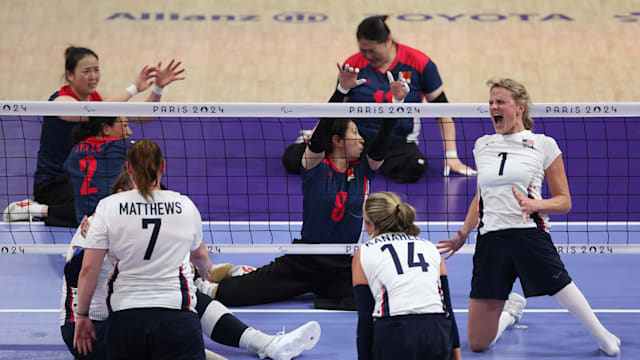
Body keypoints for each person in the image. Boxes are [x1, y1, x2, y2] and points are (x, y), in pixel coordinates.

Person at [437, 78, 621, 356]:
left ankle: (604, 335)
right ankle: (511, 314)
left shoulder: (543, 144)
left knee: (560, 284)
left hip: (527, 234)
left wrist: (536, 204)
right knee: (477, 343)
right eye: (491, 102)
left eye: (500, 102)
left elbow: (564, 202)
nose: (493, 107)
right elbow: (480, 196)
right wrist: (464, 232)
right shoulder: (482, 145)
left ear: (520, 108)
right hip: (489, 241)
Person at [61, 168, 321, 360]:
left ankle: (268, 345)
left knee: (190, 299)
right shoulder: (96, 224)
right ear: (122, 195)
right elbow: (76, 274)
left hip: (138, 318)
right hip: (90, 329)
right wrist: (95, 248)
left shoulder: (157, 226)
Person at [205, 117, 394, 309]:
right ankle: (212, 280)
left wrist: (396, 104)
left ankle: (315, 290)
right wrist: (342, 92)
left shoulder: (363, 170)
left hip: (343, 263)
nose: (361, 139)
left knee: (367, 301)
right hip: (306, 259)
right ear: (337, 141)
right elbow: (320, 137)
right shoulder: (315, 167)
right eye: (354, 133)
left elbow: (382, 144)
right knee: (228, 296)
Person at [2, 46, 184, 227]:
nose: (93, 76)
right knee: (95, 211)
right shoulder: (59, 101)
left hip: (94, 176)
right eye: (86, 71)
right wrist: (134, 88)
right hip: (57, 182)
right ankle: (38, 210)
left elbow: (143, 116)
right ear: (70, 75)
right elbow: (94, 111)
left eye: (96, 70)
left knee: (134, 196)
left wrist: (158, 88)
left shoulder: (98, 101)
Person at [282, 15, 475, 183]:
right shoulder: (354, 63)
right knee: (294, 159)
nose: (367, 55)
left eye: (372, 50)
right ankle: (363, 160)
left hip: (396, 142)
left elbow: (442, 112)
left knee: (414, 167)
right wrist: (317, 132)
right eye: (362, 50)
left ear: (388, 40)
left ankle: (357, 161)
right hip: (354, 139)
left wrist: (452, 156)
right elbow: (339, 105)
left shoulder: (419, 63)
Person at [73, 140, 212, 359]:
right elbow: (199, 255)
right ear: (162, 166)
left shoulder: (108, 206)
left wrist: (82, 315)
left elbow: (88, 270)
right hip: (177, 314)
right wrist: (205, 270)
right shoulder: (185, 205)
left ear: (129, 168)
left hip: (126, 318)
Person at [352, 191, 461, 360]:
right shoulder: (429, 248)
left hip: (395, 334)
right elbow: (447, 308)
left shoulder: (364, 253)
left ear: (368, 223)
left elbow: (365, 319)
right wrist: (457, 356)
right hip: (437, 333)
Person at [65, 116, 132, 224]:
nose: (129, 132)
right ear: (106, 129)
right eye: (124, 126)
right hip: (115, 222)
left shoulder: (75, 151)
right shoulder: (126, 148)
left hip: (84, 225)